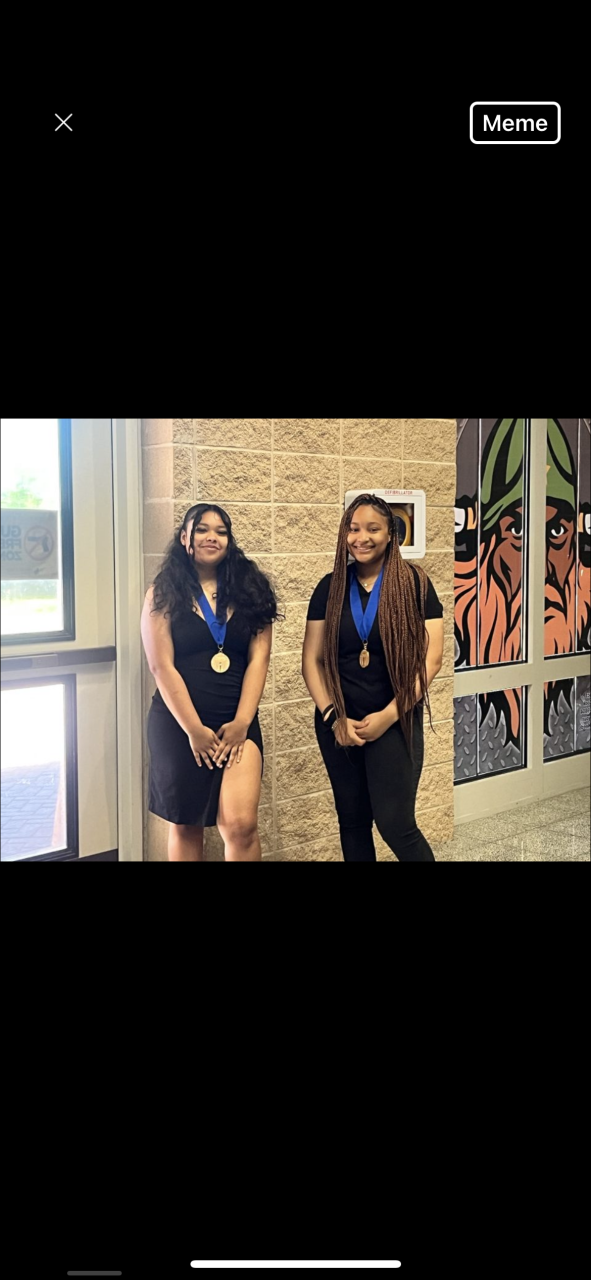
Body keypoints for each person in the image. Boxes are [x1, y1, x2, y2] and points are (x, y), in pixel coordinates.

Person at [301, 493, 445, 861]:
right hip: (339, 722)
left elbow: (431, 660)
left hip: (394, 720)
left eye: (373, 529)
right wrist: (334, 717)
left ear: (391, 534)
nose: (361, 537)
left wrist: (387, 716)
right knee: (352, 822)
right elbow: (312, 661)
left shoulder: (415, 585)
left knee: (396, 824)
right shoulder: (330, 587)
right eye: (353, 529)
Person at [141, 503, 280, 862]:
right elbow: (160, 666)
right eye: (202, 529)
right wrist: (194, 730)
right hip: (179, 725)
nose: (212, 537)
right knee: (186, 824)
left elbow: (259, 659)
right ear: (185, 538)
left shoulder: (252, 590)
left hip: (237, 723)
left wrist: (242, 723)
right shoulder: (163, 593)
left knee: (240, 825)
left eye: (221, 531)